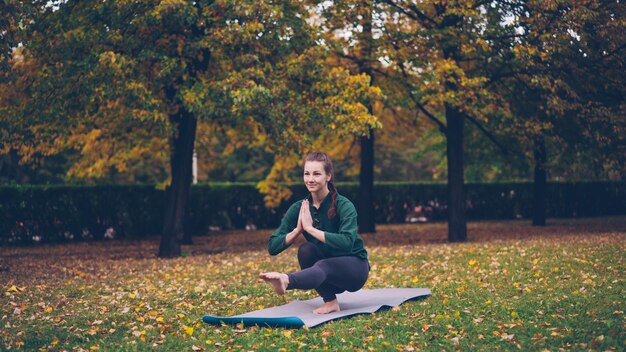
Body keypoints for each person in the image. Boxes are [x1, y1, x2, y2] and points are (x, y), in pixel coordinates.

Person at [259, 152, 370, 314]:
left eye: (317, 174)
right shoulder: (300, 207)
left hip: (354, 270)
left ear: (328, 176)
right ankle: (330, 302)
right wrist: (298, 230)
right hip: (325, 272)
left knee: (323, 265)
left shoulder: (344, 205)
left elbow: (347, 242)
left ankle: (287, 280)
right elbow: (273, 246)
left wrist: (311, 229)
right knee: (306, 250)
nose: (310, 179)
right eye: (307, 173)